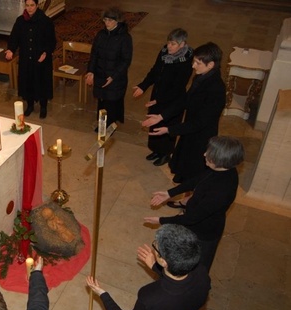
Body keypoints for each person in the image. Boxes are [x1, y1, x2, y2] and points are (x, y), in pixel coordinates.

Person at [86, 224, 211, 310]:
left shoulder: (152, 298)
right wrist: (154, 266)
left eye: (155, 248)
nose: (153, 249)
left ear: (163, 261)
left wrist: (102, 294)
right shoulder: (202, 273)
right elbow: (178, 286)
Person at [144, 136, 245, 271]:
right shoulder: (222, 170)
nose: (204, 154)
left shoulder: (221, 191)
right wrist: (170, 193)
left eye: (210, 154)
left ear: (222, 161)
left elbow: (192, 218)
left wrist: (161, 220)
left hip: (203, 233)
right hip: (195, 224)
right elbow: (197, 180)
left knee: (195, 269)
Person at [142, 42, 225, 184]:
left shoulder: (216, 89)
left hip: (201, 137)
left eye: (198, 63)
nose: (193, 66)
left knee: (194, 172)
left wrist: (169, 130)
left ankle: (187, 201)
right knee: (184, 168)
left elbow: (201, 122)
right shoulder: (201, 77)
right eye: (194, 61)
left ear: (210, 65)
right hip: (190, 130)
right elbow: (185, 100)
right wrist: (161, 116)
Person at [133, 28, 193, 166]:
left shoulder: (186, 62)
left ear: (182, 44)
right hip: (158, 94)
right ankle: (156, 150)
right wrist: (143, 86)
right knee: (154, 124)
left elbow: (178, 87)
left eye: (173, 44)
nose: (169, 46)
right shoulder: (164, 52)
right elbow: (155, 70)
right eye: (168, 43)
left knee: (166, 126)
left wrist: (159, 100)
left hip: (173, 99)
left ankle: (165, 153)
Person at [6, 0, 56, 119]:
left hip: (40, 59)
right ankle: (30, 105)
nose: (29, 8)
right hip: (26, 59)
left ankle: (43, 106)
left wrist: (46, 52)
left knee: (42, 82)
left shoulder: (46, 21)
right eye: (27, 5)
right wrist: (10, 49)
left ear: (37, 5)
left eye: (32, 5)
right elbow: (14, 38)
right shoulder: (20, 21)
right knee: (28, 82)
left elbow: (52, 41)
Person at [85, 7, 133, 126]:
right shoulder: (101, 35)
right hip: (101, 74)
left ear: (118, 21)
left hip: (115, 77)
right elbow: (94, 54)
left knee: (111, 102)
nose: (107, 23)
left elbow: (126, 61)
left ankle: (109, 126)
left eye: (110, 20)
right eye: (105, 20)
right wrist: (90, 71)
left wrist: (113, 76)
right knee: (102, 101)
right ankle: (102, 125)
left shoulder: (124, 38)